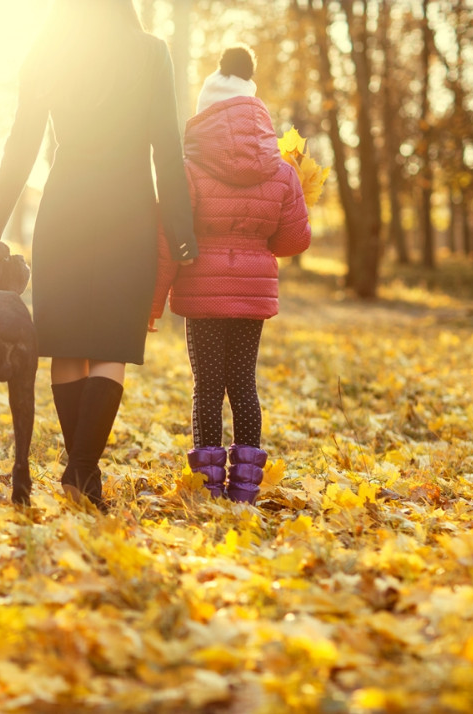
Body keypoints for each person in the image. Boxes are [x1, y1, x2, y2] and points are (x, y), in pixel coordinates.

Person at [0, 0, 197, 511]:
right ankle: (82, 472)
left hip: (65, 209)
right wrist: (181, 228)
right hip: (129, 211)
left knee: (70, 346)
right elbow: (167, 144)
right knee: (110, 347)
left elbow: (21, 143)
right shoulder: (151, 52)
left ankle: (80, 475)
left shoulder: (48, 51)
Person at [150, 44, 311, 504]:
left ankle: (206, 488)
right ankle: (243, 492)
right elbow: (293, 242)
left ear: (206, 115)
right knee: (243, 384)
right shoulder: (282, 170)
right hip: (251, 297)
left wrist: (153, 302)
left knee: (206, 387)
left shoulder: (190, 168)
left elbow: (169, 238)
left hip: (202, 293)